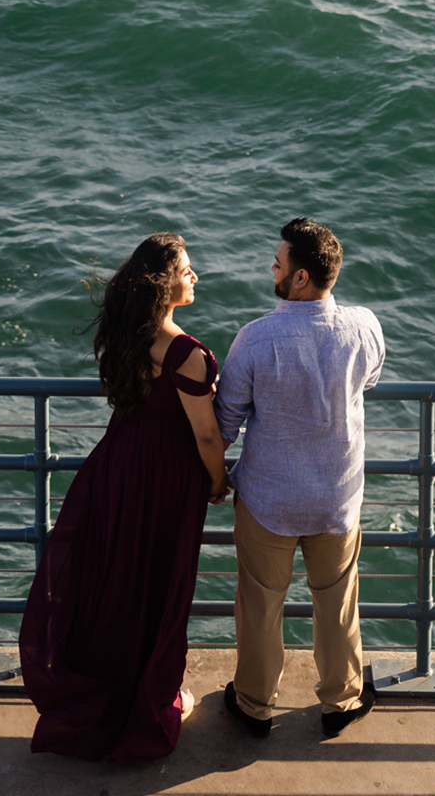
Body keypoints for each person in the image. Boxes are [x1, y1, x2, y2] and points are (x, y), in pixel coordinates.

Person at [19, 232, 228, 762]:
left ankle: (113, 691)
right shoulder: (186, 353)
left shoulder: (128, 331)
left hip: (118, 464)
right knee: (161, 584)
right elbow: (206, 435)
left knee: (117, 583)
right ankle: (151, 699)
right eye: (186, 270)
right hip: (164, 479)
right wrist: (219, 481)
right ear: (164, 283)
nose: (195, 276)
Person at [218, 216, 385, 738]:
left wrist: (211, 474)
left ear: (300, 279)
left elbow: (226, 420)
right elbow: (371, 379)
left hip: (269, 498)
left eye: (279, 261)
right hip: (336, 496)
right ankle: (343, 699)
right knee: (336, 600)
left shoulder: (255, 339)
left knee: (262, 602)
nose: (272, 265)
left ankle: (254, 705)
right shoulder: (365, 326)